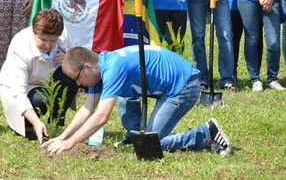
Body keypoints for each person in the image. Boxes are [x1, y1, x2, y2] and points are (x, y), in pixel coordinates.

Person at [42, 46, 232, 156]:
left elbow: (101, 116)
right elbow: (87, 109)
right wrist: (63, 137)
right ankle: (133, 136)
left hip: (183, 86)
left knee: (150, 146)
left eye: (77, 79)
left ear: (87, 67)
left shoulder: (114, 68)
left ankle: (206, 134)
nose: (79, 85)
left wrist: (70, 143)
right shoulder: (100, 69)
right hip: (165, 85)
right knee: (126, 95)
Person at [0, 9, 78, 144]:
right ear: (33, 32)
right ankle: (28, 126)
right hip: (27, 86)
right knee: (40, 100)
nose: (47, 45)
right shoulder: (20, 48)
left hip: (50, 79)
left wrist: (67, 60)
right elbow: (18, 93)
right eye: (43, 40)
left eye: (53, 41)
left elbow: (77, 61)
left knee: (71, 76)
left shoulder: (64, 35)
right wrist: (36, 122)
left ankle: (55, 123)